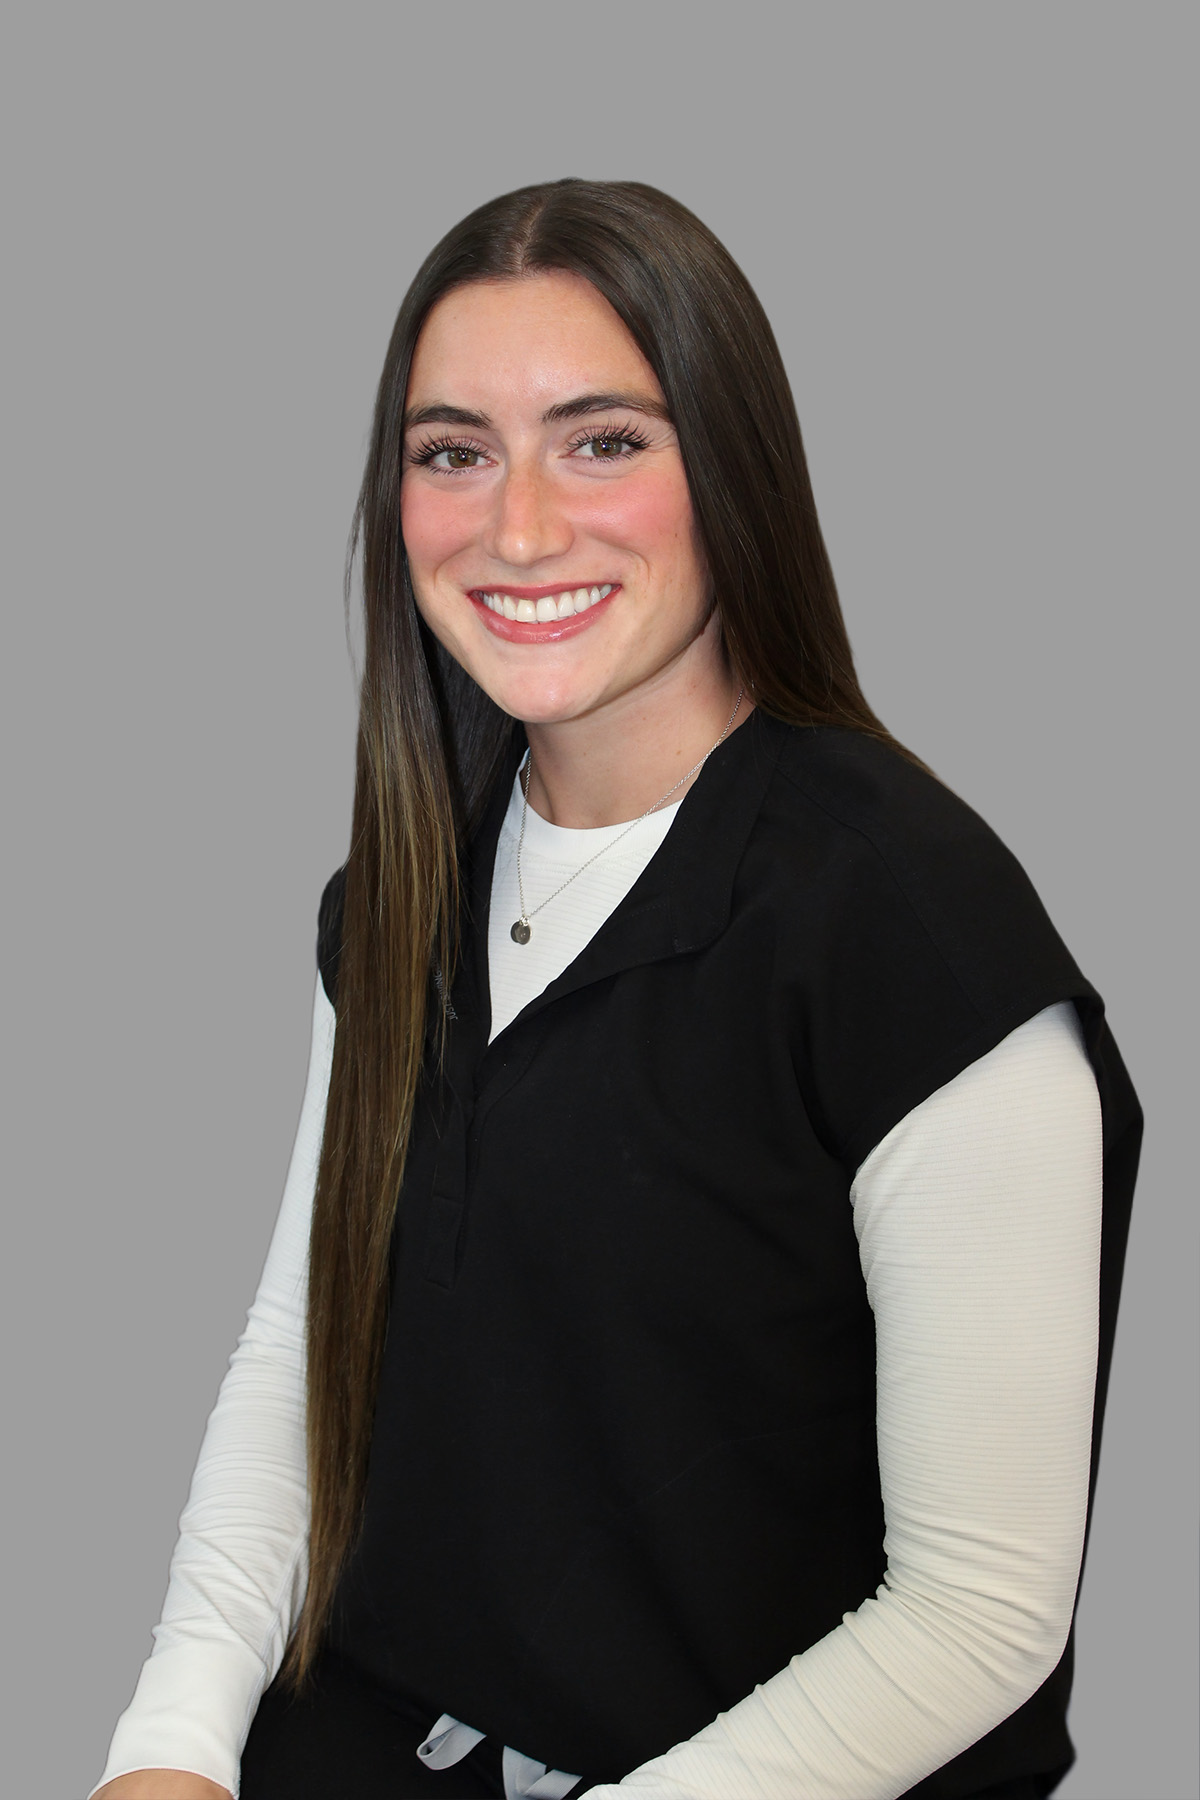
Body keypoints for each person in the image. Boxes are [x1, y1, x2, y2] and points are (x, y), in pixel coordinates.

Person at [91, 179, 1140, 1800]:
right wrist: (168, 1746)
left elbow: (980, 1612)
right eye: (453, 452)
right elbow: (302, 1356)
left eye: (603, 441)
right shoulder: (399, 893)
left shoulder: (911, 928)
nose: (516, 528)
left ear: (731, 467)